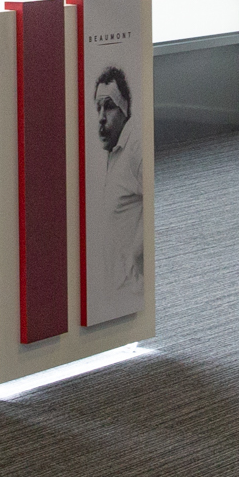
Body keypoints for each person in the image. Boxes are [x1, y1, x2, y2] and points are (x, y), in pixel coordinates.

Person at [91, 65, 146, 309]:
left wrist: (135, 253)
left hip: (130, 289)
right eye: (98, 108)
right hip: (112, 286)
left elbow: (153, 201)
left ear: (124, 109)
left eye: (109, 106)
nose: (101, 117)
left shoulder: (135, 147)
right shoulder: (113, 151)